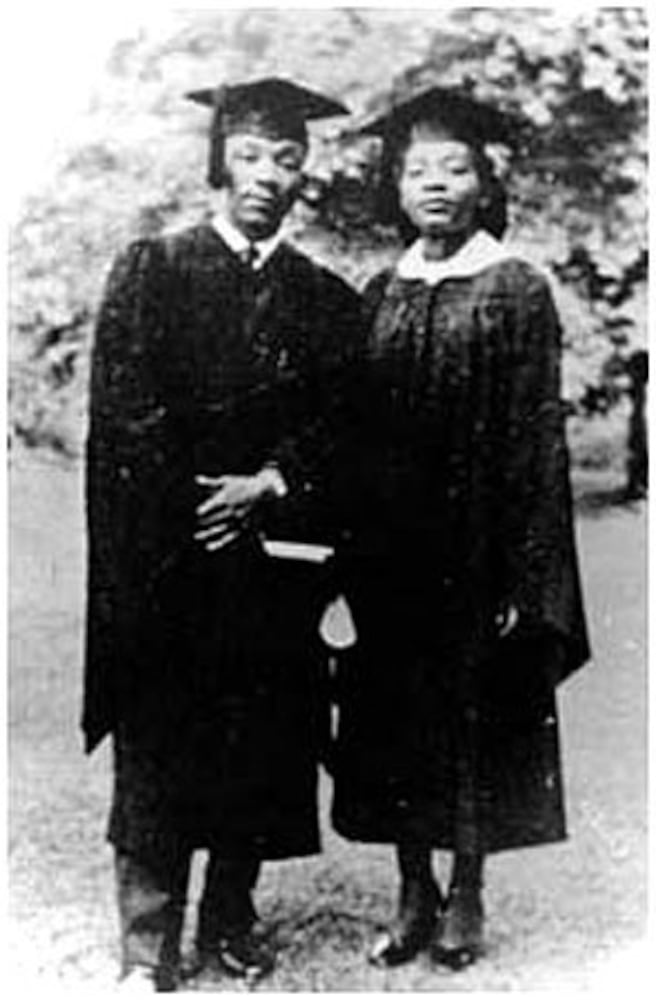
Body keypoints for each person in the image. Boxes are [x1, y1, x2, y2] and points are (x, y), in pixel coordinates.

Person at [83, 77, 360, 991]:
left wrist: (271, 484)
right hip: (169, 561)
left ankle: (231, 923)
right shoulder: (153, 269)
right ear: (219, 164)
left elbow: (342, 426)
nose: (268, 175)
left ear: (303, 172)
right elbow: (123, 415)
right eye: (249, 155)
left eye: (286, 158)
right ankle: (147, 941)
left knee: (258, 744)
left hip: (270, 564)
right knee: (160, 747)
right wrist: (195, 505)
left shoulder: (325, 298)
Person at [330, 84, 591, 970]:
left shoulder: (516, 288)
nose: (436, 184)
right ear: (396, 188)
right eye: (418, 171)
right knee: (394, 720)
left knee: (475, 721)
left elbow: (536, 441)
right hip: (389, 557)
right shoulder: (381, 291)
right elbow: (352, 432)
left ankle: (467, 889)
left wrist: (528, 574)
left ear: (485, 183)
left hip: (478, 552)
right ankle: (413, 889)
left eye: (455, 168)